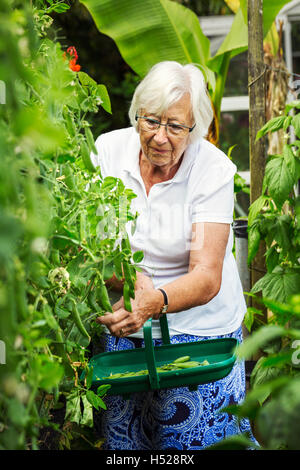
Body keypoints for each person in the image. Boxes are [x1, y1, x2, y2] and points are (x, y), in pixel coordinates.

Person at [90, 61, 256, 450]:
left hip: (197, 330)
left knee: (189, 441)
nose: (161, 137)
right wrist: (129, 278)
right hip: (127, 319)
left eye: (175, 126)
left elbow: (206, 275)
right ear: (136, 115)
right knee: (125, 441)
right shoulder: (107, 152)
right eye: (151, 121)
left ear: (194, 128)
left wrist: (155, 300)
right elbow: (91, 246)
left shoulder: (212, 170)